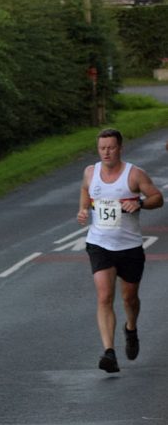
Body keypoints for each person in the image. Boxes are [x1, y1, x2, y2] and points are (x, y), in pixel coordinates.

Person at [77, 128, 163, 372]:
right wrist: (83, 209)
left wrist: (140, 203)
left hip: (130, 246)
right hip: (99, 243)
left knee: (129, 298)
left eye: (111, 147)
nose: (106, 152)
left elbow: (158, 198)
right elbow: (85, 190)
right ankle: (109, 352)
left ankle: (131, 328)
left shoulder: (134, 174)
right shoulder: (90, 172)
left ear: (120, 149)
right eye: (102, 148)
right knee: (104, 296)